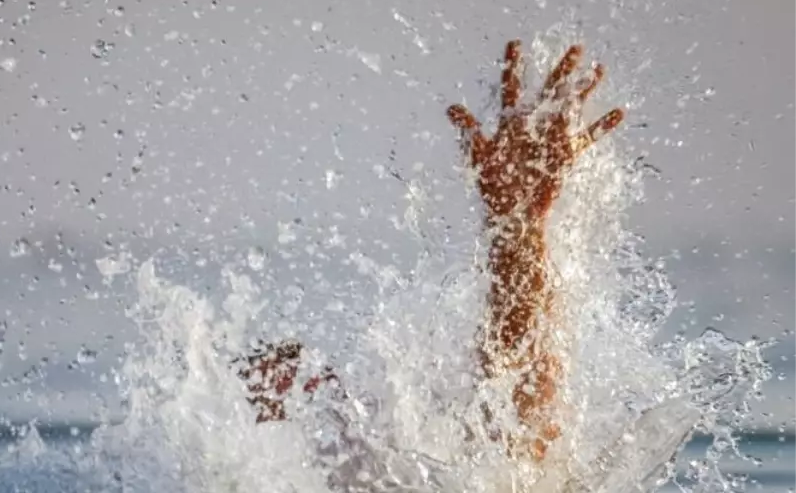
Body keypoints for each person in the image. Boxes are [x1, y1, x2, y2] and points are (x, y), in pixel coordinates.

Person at [236, 40, 625, 464]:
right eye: (278, 397)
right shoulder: (305, 479)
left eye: (310, 382)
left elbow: (518, 439)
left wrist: (517, 228)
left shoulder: (389, 453)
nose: (311, 392)